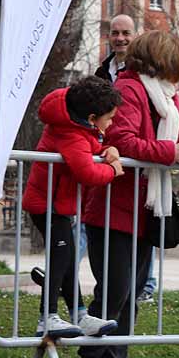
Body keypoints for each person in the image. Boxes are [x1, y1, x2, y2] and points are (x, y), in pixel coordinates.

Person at [81, 31, 179, 358]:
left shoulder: (165, 95)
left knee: (132, 291)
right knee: (114, 290)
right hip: (114, 208)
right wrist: (174, 153)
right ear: (165, 58)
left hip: (145, 210)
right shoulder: (131, 88)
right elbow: (122, 141)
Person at [22, 76, 125, 339]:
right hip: (48, 207)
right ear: (92, 118)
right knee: (61, 259)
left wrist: (108, 148)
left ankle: (78, 314)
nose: (111, 123)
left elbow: (93, 148)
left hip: (57, 206)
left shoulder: (75, 123)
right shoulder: (71, 134)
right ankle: (47, 316)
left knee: (66, 260)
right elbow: (87, 172)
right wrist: (112, 169)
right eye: (109, 118)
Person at [95, 14, 136, 83]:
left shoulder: (141, 70)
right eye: (115, 33)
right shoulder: (101, 72)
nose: (120, 38)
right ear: (108, 36)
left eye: (126, 33)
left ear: (136, 36)